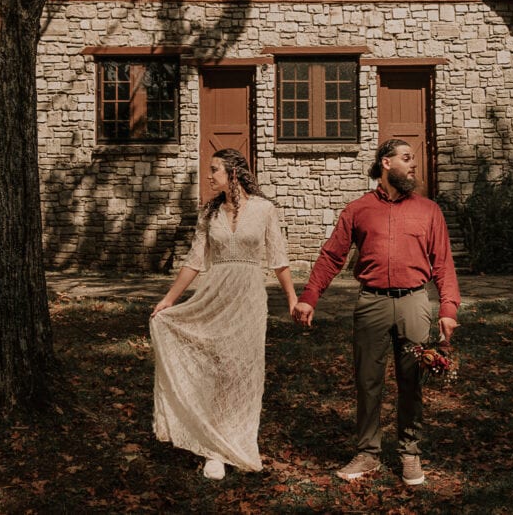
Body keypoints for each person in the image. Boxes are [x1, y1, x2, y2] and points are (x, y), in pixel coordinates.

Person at [292, 138, 460, 486]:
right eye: (406, 158)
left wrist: (448, 308)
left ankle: (410, 453)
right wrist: (310, 296)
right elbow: (331, 256)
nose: (413, 165)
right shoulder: (358, 210)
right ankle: (368, 453)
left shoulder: (429, 210)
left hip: (415, 303)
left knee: (411, 380)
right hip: (371, 304)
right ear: (386, 163)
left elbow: (443, 264)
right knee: (367, 381)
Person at [150, 148, 298, 480]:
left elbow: (279, 258)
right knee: (215, 368)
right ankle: (214, 450)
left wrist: (291, 298)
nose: (209, 175)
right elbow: (194, 261)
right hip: (214, 295)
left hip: (248, 298)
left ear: (232, 173)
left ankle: (240, 439)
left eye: (214, 169)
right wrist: (168, 300)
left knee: (242, 368)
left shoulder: (264, 210)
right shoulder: (209, 214)